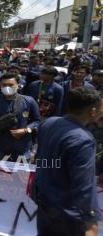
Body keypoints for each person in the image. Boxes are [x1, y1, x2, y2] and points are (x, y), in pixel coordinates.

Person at [32, 88, 103, 236]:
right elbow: (84, 184)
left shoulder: (49, 123)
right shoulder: (83, 139)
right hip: (67, 213)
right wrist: (91, 220)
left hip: (44, 202)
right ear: (93, 110)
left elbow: (42, 161)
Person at [0, 73, 40, 161]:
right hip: (0, 146)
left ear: (17, 85)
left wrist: (25, 130)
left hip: (22, 146)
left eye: (11, 85)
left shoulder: (29, 101)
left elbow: (37, 121)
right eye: (4, 85)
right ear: (0, 86)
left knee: (21, 172)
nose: (7, 87)